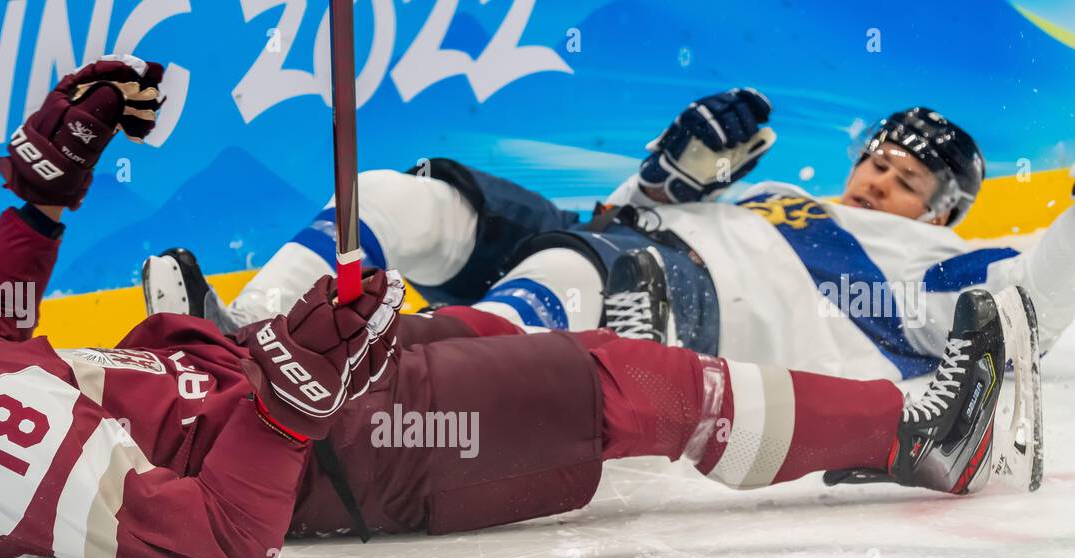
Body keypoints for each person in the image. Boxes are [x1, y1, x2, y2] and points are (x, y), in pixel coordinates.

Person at [0, 63, 1042, 558]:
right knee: (629, 383)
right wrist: (289, 396)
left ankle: (254, 334)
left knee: (500, 330)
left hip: (239, 386)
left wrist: (46, 201)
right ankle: (923, 438)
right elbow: (227, 536)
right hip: (339, 459)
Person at [202, 90, 1074, 382]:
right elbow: (623, 218)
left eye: (906, 178)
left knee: (575, 275)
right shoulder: (770, 189)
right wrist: (672, 169)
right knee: (399, 196)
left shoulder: (936, 262)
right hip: (613, 243)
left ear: (941, 210)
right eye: (876, 159)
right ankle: (252, 331)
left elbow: (1031, 309)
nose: (877, 178)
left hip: (660, 305)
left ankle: (359, 386)